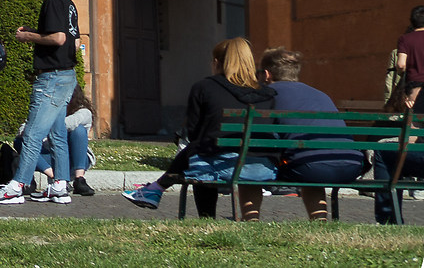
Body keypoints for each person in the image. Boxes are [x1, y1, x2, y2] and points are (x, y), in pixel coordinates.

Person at [122, 37, 273, 217]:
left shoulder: (204, 87)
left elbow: (193, 133)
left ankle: (205, 216)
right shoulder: (268, 94)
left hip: (218, 167)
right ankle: (156, 189)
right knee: (205, 151)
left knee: (201, 152)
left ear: (216, 62)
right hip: (261, 167)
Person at [0, 0, 80, 206]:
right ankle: (60, 185)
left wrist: (28, 36)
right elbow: (74, 42)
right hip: (67, 75)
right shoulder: (68, 3)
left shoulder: (52, 0)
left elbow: (59, 38)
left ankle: (16, 186)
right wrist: (39, 35)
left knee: (32, 134)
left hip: (51, 78)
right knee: (57, 133)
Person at [257, 47, 362, 220]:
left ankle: (250, 217)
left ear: (266, 74)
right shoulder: (320, 94)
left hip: (310, 167)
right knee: (309, 157)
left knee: (255, 166)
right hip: (351, 165)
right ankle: (319, 220)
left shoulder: (267, 94)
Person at [394, 4, 424, 112]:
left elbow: (401, 64)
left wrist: (401, 72)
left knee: (414, 118)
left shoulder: (405, 39)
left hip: (414, 86)